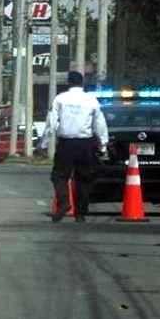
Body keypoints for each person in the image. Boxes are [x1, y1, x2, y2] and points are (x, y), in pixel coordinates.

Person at [45, 70, 109, 223]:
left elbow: (52, 122)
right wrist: (103, 145)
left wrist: (44, 142)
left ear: (68, 83)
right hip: (85, 144)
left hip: (66, 144)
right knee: (84, 178)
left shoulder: (60, 99)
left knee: (59, 176)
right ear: (82, 83)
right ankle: (80, 214)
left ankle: (65, 202)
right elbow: (99, 125)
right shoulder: (91, 100)